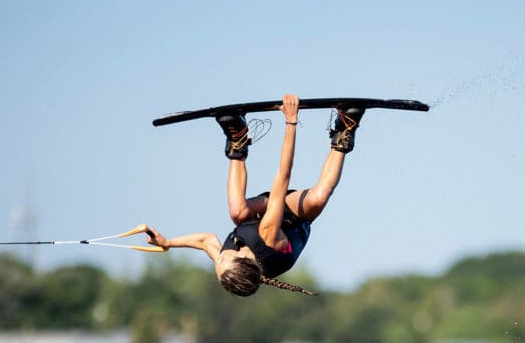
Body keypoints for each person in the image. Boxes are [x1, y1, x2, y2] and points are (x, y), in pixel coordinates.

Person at [142, 94, 363, 296]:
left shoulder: (225, 259)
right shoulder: (269, 239)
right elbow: (283, 176)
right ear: (241, 259)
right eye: (223, 259)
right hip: (294, 220)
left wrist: (168, 242)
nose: (219, 256)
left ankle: (237, 137)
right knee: (319, 197)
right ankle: (344, 131)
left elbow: (205, 240)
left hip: (260, 214)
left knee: (237, 212)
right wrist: (291, 121)